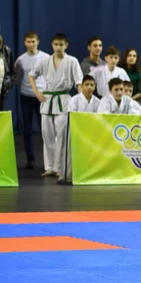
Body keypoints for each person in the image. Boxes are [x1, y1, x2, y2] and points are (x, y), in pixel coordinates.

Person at [29, 33, 83, 182]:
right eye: (56, 44)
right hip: (47, 99)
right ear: (52, 45)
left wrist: (80, 101)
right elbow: (31, 75)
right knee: (47, 135)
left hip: (63, 99)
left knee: (62, 135)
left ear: (66, 45)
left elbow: (79, 82)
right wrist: (37, 92)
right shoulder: (45, 61)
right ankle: (51, 167)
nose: (58, 47)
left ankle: (61, 168)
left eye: (61, 45)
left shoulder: (72, 61)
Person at [14, 31, 50, 169]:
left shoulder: (46, 58)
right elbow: (17, 78)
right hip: (26, 97)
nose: (31, 44)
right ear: (24, 43)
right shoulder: (21, 60)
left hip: (42, 97)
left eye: (33, 41)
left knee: (45, 129)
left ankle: (49, 160)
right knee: (27, 130)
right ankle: (30, 159)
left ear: (38, 42)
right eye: (28, 41)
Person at [0, 34, 15, 111]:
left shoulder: (7, 51)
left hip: (3, 88)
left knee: (1, 112)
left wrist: (9, 84)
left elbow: (12, 70)